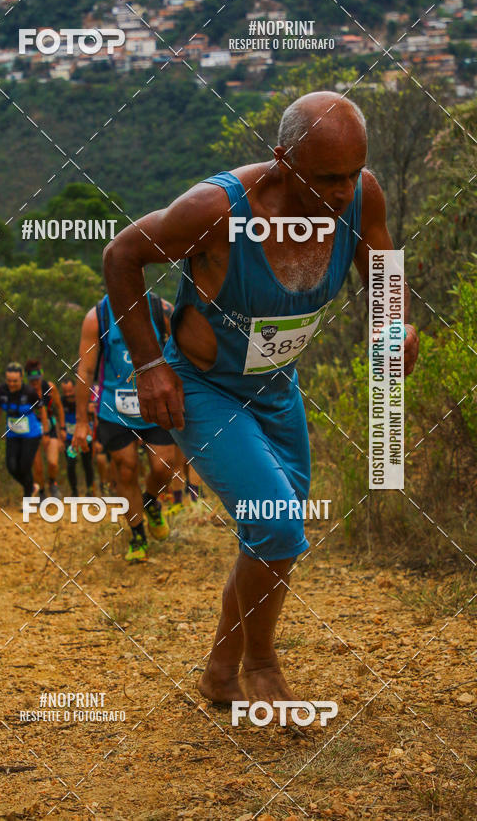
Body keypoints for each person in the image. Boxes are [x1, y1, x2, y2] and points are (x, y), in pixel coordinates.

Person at [102, 91, 420, 704]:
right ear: (283, 160)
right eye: (326, 178)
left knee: (271, 536)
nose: (342, 192)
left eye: (353, 174)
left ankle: (220, 672)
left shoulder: (362, 196)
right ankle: (261, 663)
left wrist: (394, 327)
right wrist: (149, 366)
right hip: (203, 388)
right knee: (276, 525)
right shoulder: (217, 209)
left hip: (277, 389)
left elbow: (383, 272)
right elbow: (121, 255)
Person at [71, 291, 175, 563]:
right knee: (125, 468)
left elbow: (185, 354)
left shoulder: (161, 310)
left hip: (156, 403)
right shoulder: (97, 317)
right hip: (114, 407)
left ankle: (150, 501)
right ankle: (138, 535)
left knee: (163, 467)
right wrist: (81, 422)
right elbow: (85, 370)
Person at [0, 362, 47, 500]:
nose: (11, 384)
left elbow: (42, 410)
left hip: (31, 434)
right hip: (13, 434)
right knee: (11, 467)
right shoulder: (1, 391)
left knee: (24, 466)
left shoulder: (29, 392)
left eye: (15, 381)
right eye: (9, 381)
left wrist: (45, 432)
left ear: (21, 378)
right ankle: (31, 487)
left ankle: (27, 499)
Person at [25, 359, 65, 498]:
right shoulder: (25, 392)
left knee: (53, 463)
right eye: (32, 380)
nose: (35, 382)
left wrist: (62, 428)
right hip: (32, 431)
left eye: (37, 379)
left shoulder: (50, 388)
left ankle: (52, 483)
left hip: (50, 427)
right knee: (38, 468)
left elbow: (59, 407)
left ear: (41, 375)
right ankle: (42, 492)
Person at [60, 378, 95, 496]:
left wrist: (92, 435)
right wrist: (61, 433)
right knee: (70, 464)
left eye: (70, 391)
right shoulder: (62, 402)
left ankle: (90, 490)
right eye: (65, 392)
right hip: (69, 439)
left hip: (85, 437)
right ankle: (74, 492)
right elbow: (59, 418)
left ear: (75, 388)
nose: (68, 394)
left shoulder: (83, 400)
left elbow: (92, 419)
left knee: (87, 463)